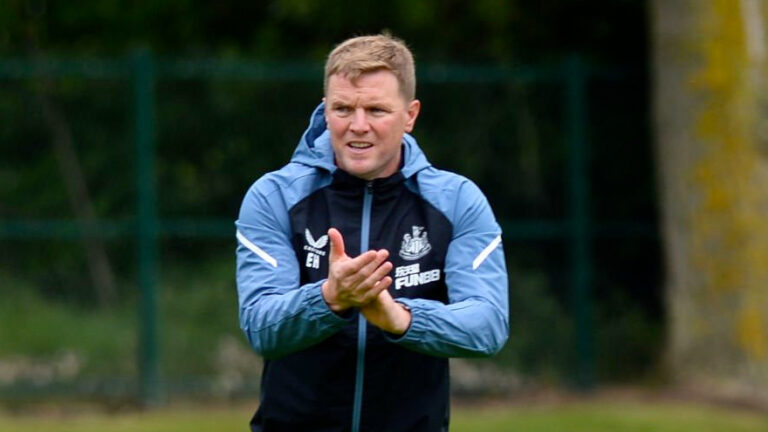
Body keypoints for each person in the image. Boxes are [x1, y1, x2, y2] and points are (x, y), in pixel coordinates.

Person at [235, 34, 509, 432]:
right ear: (325, 109)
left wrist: (399, 318)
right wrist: (330, 299)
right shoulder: (273, 196)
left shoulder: (457, 201)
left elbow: (488, 325)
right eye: (342, 109)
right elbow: (261, 325)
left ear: (410, 115)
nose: (357, 126)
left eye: (376, 110)